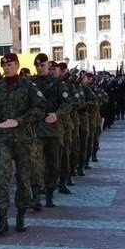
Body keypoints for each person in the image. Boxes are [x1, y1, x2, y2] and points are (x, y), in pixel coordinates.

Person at [0, 53, 45, 235]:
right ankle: (2, 219)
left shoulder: (28, 86)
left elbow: (39, 108)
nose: (7, 68)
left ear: (17, 65)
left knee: (24, 179)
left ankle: (21, 216)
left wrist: (19, 121)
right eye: (4, 65)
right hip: (3, 140)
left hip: (24, 139)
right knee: (1, 178)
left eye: (10, 65)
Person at [31, 55, 71, 209]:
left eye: (43, 65)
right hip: (35, 130)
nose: (40, 68)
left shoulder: (58, 84)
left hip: (53, 131)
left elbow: (68, 104)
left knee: (53, 163)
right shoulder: (30, 84)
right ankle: (35, 196)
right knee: (35, 163)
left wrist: (57, 115)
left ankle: (49, 194)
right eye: (38, 66)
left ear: (48, 66)